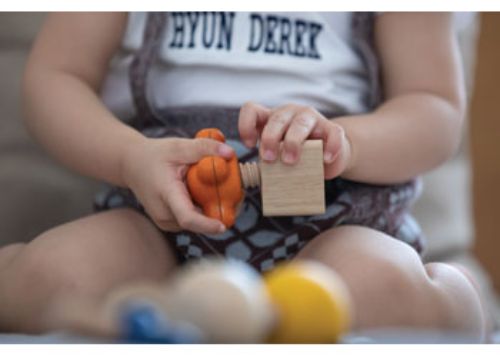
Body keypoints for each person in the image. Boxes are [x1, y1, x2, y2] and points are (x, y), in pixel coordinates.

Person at [0, 12, 486, 340]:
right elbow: (55, 79)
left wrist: (347, 142)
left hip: (337, 214)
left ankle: (445, 292)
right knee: (56, 278)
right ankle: (171, 319)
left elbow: (434, 108)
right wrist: (130, 157)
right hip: (157, 212)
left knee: (380, 285)